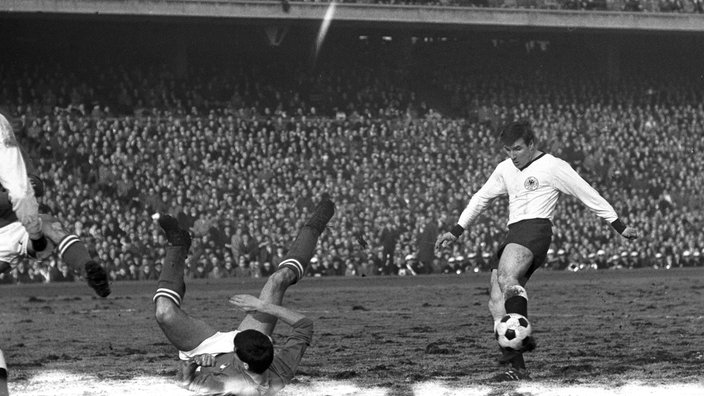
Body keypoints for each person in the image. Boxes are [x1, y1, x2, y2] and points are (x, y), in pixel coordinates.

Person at [435, 120, 638, 381]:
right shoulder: (504, 169)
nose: (512, 155)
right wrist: (456, 230)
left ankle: (523, 335)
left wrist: (618, 225)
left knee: (507, 278)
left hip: (536, 229)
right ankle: (515, 367)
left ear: (532, 144)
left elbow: (587, 193)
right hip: (514, 232)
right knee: (496, 300)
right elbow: (481, 198)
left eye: (518, 149)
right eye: (508, 150)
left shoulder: (553, 166)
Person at [153, 197, 335, 395]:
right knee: (279, 280)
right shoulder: (280, 369)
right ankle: (316, 224)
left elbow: (185, 382)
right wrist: (262, 306)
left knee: (164, 313)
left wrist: (194, 364)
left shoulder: (226, 386)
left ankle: (178, 244)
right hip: (252, 346)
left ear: (243, 365)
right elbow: (305, 325)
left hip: (205, 350)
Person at [0, 112, 110, 298]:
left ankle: (89, 270)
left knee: (51, 224)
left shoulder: (11, 149)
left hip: (13, 225)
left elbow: (37, 184)